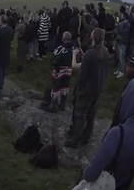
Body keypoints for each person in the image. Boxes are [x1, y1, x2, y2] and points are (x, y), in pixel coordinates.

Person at [83, 57, 134, 190]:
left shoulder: (118, 134)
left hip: (107, 181)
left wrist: (86, 174)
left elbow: (91, 174)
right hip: (124, 181)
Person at [66, 29, 109, 148]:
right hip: (97, 89)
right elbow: (101, 69)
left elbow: (82, 75)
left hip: (85, 90)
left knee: (80, 114)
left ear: (93, 37)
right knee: (91, 114)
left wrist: (78, 89)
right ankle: (86, 137)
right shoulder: (105, 52)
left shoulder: (91, 53)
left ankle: (74, 140)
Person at [40, 31, 74, 113]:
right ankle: (62, 105)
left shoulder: (60, 49)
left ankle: (53, 105)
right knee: (64, 88)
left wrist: (53, 64)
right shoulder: (74, 49)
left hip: (59, 72)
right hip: (69, 72)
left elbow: (54, 60)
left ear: (63, 39)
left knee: (56, 88)